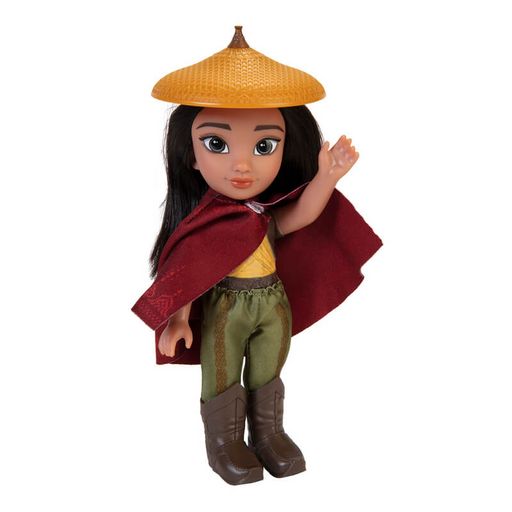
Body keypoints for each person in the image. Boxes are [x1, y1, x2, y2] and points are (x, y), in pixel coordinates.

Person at [132, 27, 382, 485]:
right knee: (222, 371)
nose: (242, 165)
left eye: (264, 145)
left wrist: (327, 177)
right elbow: (187, 270)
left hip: (272, 301)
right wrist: (179, 318)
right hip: (227, 307)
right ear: (191, 155)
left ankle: (269, 434)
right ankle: (224, 442)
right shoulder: (203, 224)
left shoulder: (262, 214)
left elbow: (300, 216)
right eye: (217, 144)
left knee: (270, 365)